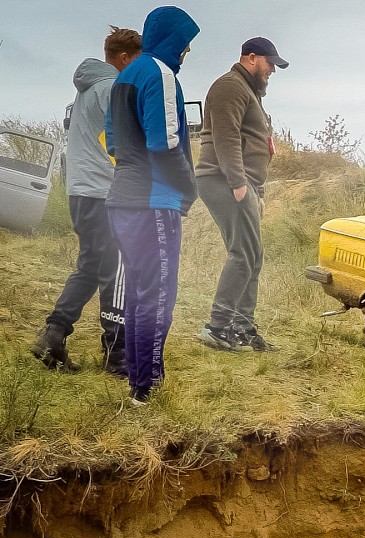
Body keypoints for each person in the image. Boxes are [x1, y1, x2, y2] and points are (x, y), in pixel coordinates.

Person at [31, 27, 141, 375]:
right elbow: (122, 143)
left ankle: (53, 335)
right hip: (104, 193)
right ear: (124, 58)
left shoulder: (88, 89)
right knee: (114, 270)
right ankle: (116, 356)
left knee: (91, 267)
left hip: (81, 192)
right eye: (136, 62)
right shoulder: (112, 89)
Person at [105, 5, 200, 406]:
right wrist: (187, 189)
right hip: (153, 202)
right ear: (172, 39)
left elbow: (111, 143)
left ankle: (140, 376)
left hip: (123, 200)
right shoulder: (159, 73)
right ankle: (146, 389)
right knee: (158, 295)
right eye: (186, 43)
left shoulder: (124, 77)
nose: (187, 52)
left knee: (139, 294)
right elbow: (165, 144)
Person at [195, 37, 288, 352]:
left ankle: (242, 328)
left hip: (244, 183)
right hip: (223, 180)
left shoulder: (248, 92)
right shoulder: (230, 87)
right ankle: (218, 327)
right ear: (251, 58)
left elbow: (250, 136)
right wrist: (238, 183)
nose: (272, 70)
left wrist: (256, 187)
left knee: (252, 255)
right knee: (243, 254)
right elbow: (226, 137)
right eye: (270, 63)